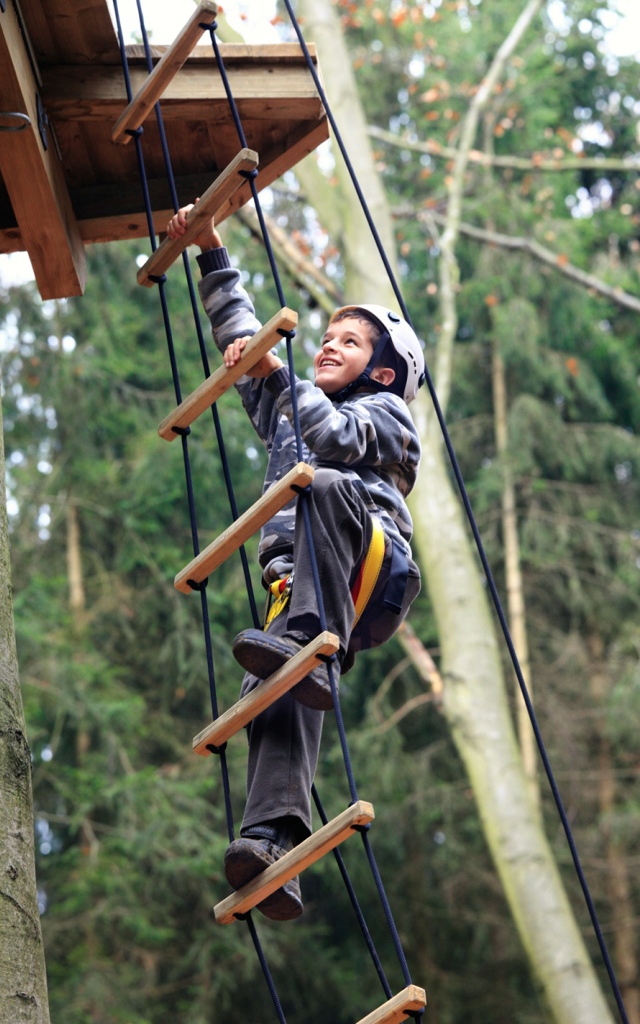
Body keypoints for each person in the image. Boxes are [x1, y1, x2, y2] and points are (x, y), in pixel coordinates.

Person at [167, 205, 424, 921]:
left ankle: (307, 650)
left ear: (379, 370)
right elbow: (247, 343)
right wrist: (211, 251)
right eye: (325, 337)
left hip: (367, 566)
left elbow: (332, 433)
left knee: (326, 482)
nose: (325, 346)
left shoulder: (385, 420)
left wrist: (284, 380)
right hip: (299, 592)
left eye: (346, 342)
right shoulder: (292, 402)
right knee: (275, 706)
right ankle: (271, 845)